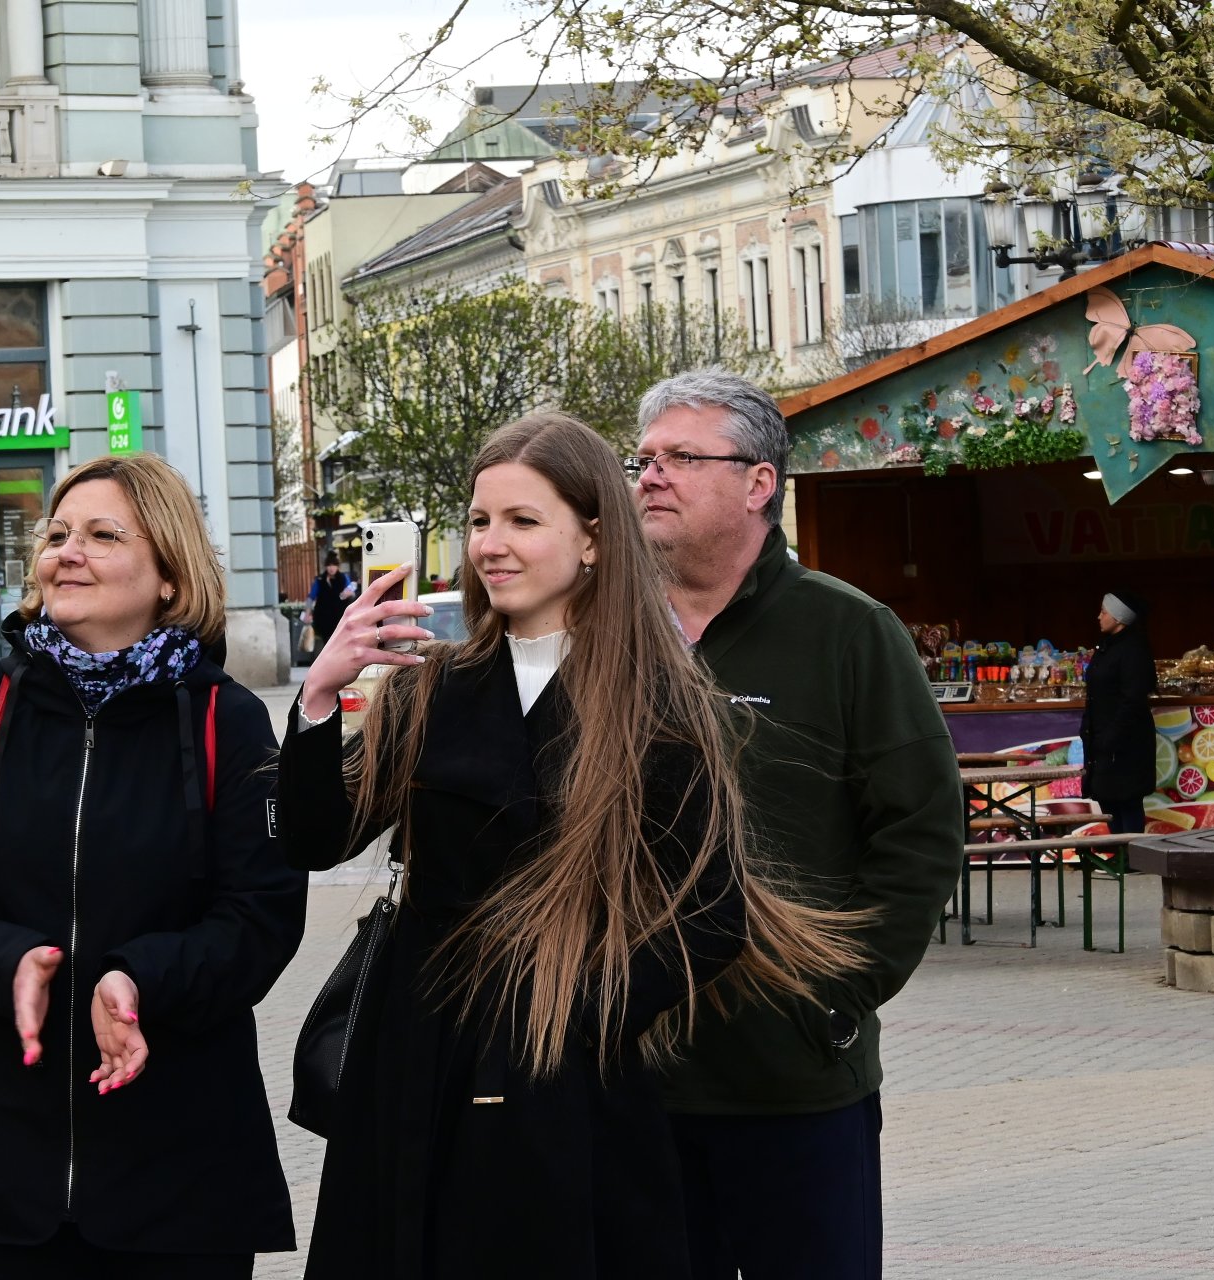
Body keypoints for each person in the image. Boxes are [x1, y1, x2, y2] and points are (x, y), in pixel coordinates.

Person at [276, 411, 869, 1280]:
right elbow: (313, 839)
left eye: (523, 520)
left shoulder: (663, 710)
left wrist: (573, 1010)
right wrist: (322, 698)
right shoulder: (427, 690)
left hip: (570, 1081)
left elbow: (710, 918)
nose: (491, 545)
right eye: (480, 521)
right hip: (414, 1066)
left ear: (593, 538)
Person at [0, 453, 307, 1279]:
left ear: (170, 580)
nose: (65, 552)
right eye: (58, 533)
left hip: (180, 1173)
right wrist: (5, 962)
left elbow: (260, 918)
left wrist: (138, 978)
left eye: (103, 535)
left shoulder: (228, 718)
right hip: (9, 1170)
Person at [631, 369, 965, 1280]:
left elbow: (924, 828)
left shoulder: (848, 632)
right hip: (630, 1083)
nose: (650, 476)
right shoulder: (611, 636)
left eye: (681, 458)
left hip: (793, 1082)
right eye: (645, 459)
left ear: (759, 484)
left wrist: (833, 995)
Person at [1081, 590, 1158, 834]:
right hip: (1105, 737)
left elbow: (1132, 698)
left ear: (1119, 617)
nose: (1098, 616)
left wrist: (1111, 736)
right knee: (1109, 797)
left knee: (1128, 798)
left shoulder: (1133, 650)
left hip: (1125, 740)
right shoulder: (1108, 647)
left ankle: (1133, 855)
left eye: (1104, 612)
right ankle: (1120, 854)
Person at [306, 553, 356, 650]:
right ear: (326, 567)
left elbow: (352, 593)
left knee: (340, 641)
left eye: (334, 565)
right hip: (323, 616)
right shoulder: (320, 580)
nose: (331, 568)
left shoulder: (343, 578)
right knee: (325, 643)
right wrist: (307, 613)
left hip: (340, 615)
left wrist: (349, 594)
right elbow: (311, 597)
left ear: (337, 566)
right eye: (329, 565)